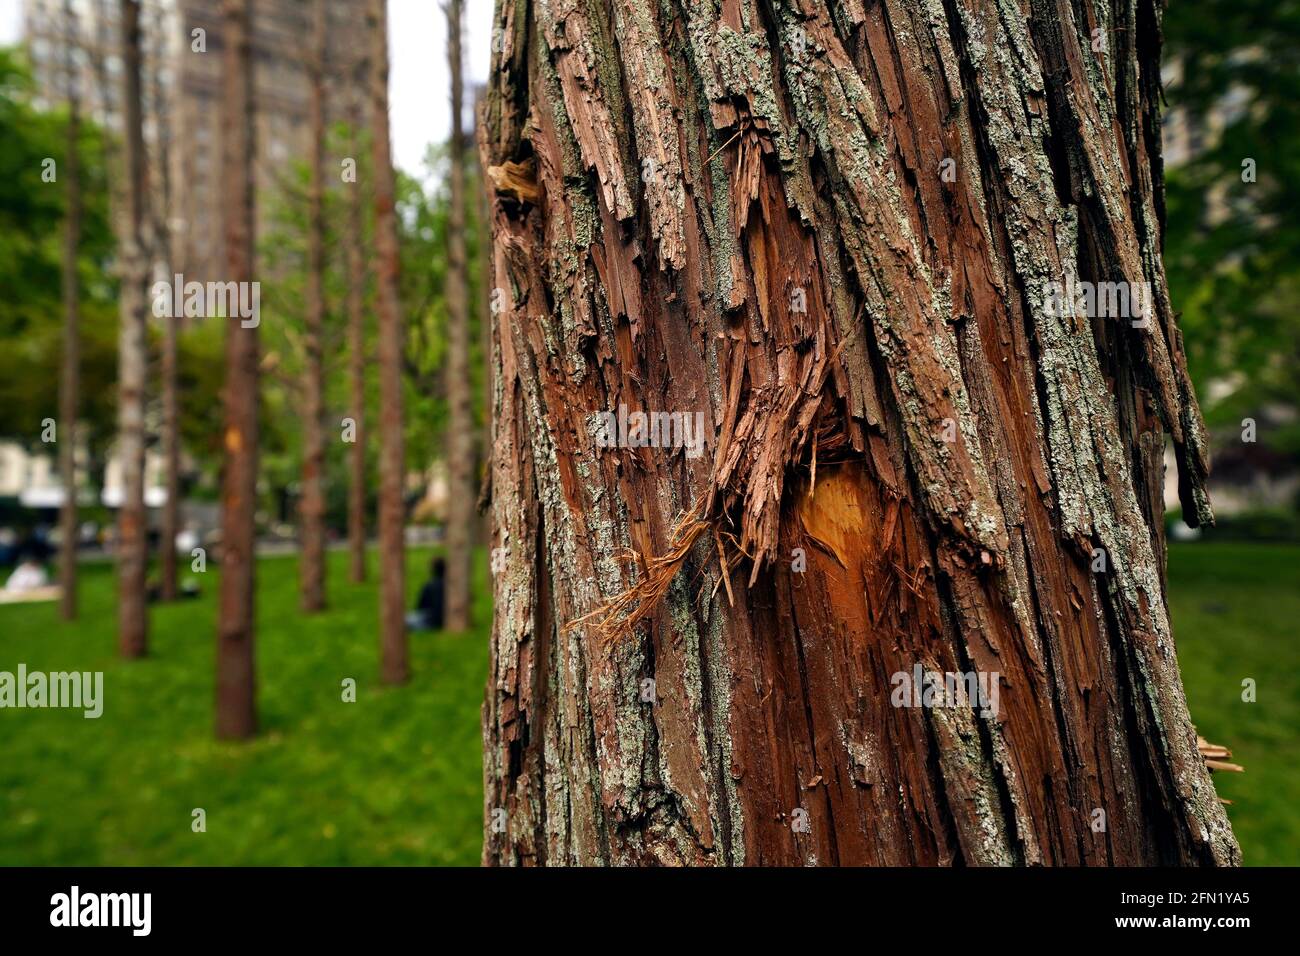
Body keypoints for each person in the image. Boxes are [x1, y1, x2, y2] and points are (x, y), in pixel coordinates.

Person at [406, 556, 446, 632]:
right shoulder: (452, 586)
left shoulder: (429, 585)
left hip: (432, 619)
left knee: (405, 619)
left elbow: (420, 607)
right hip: (445, 619)